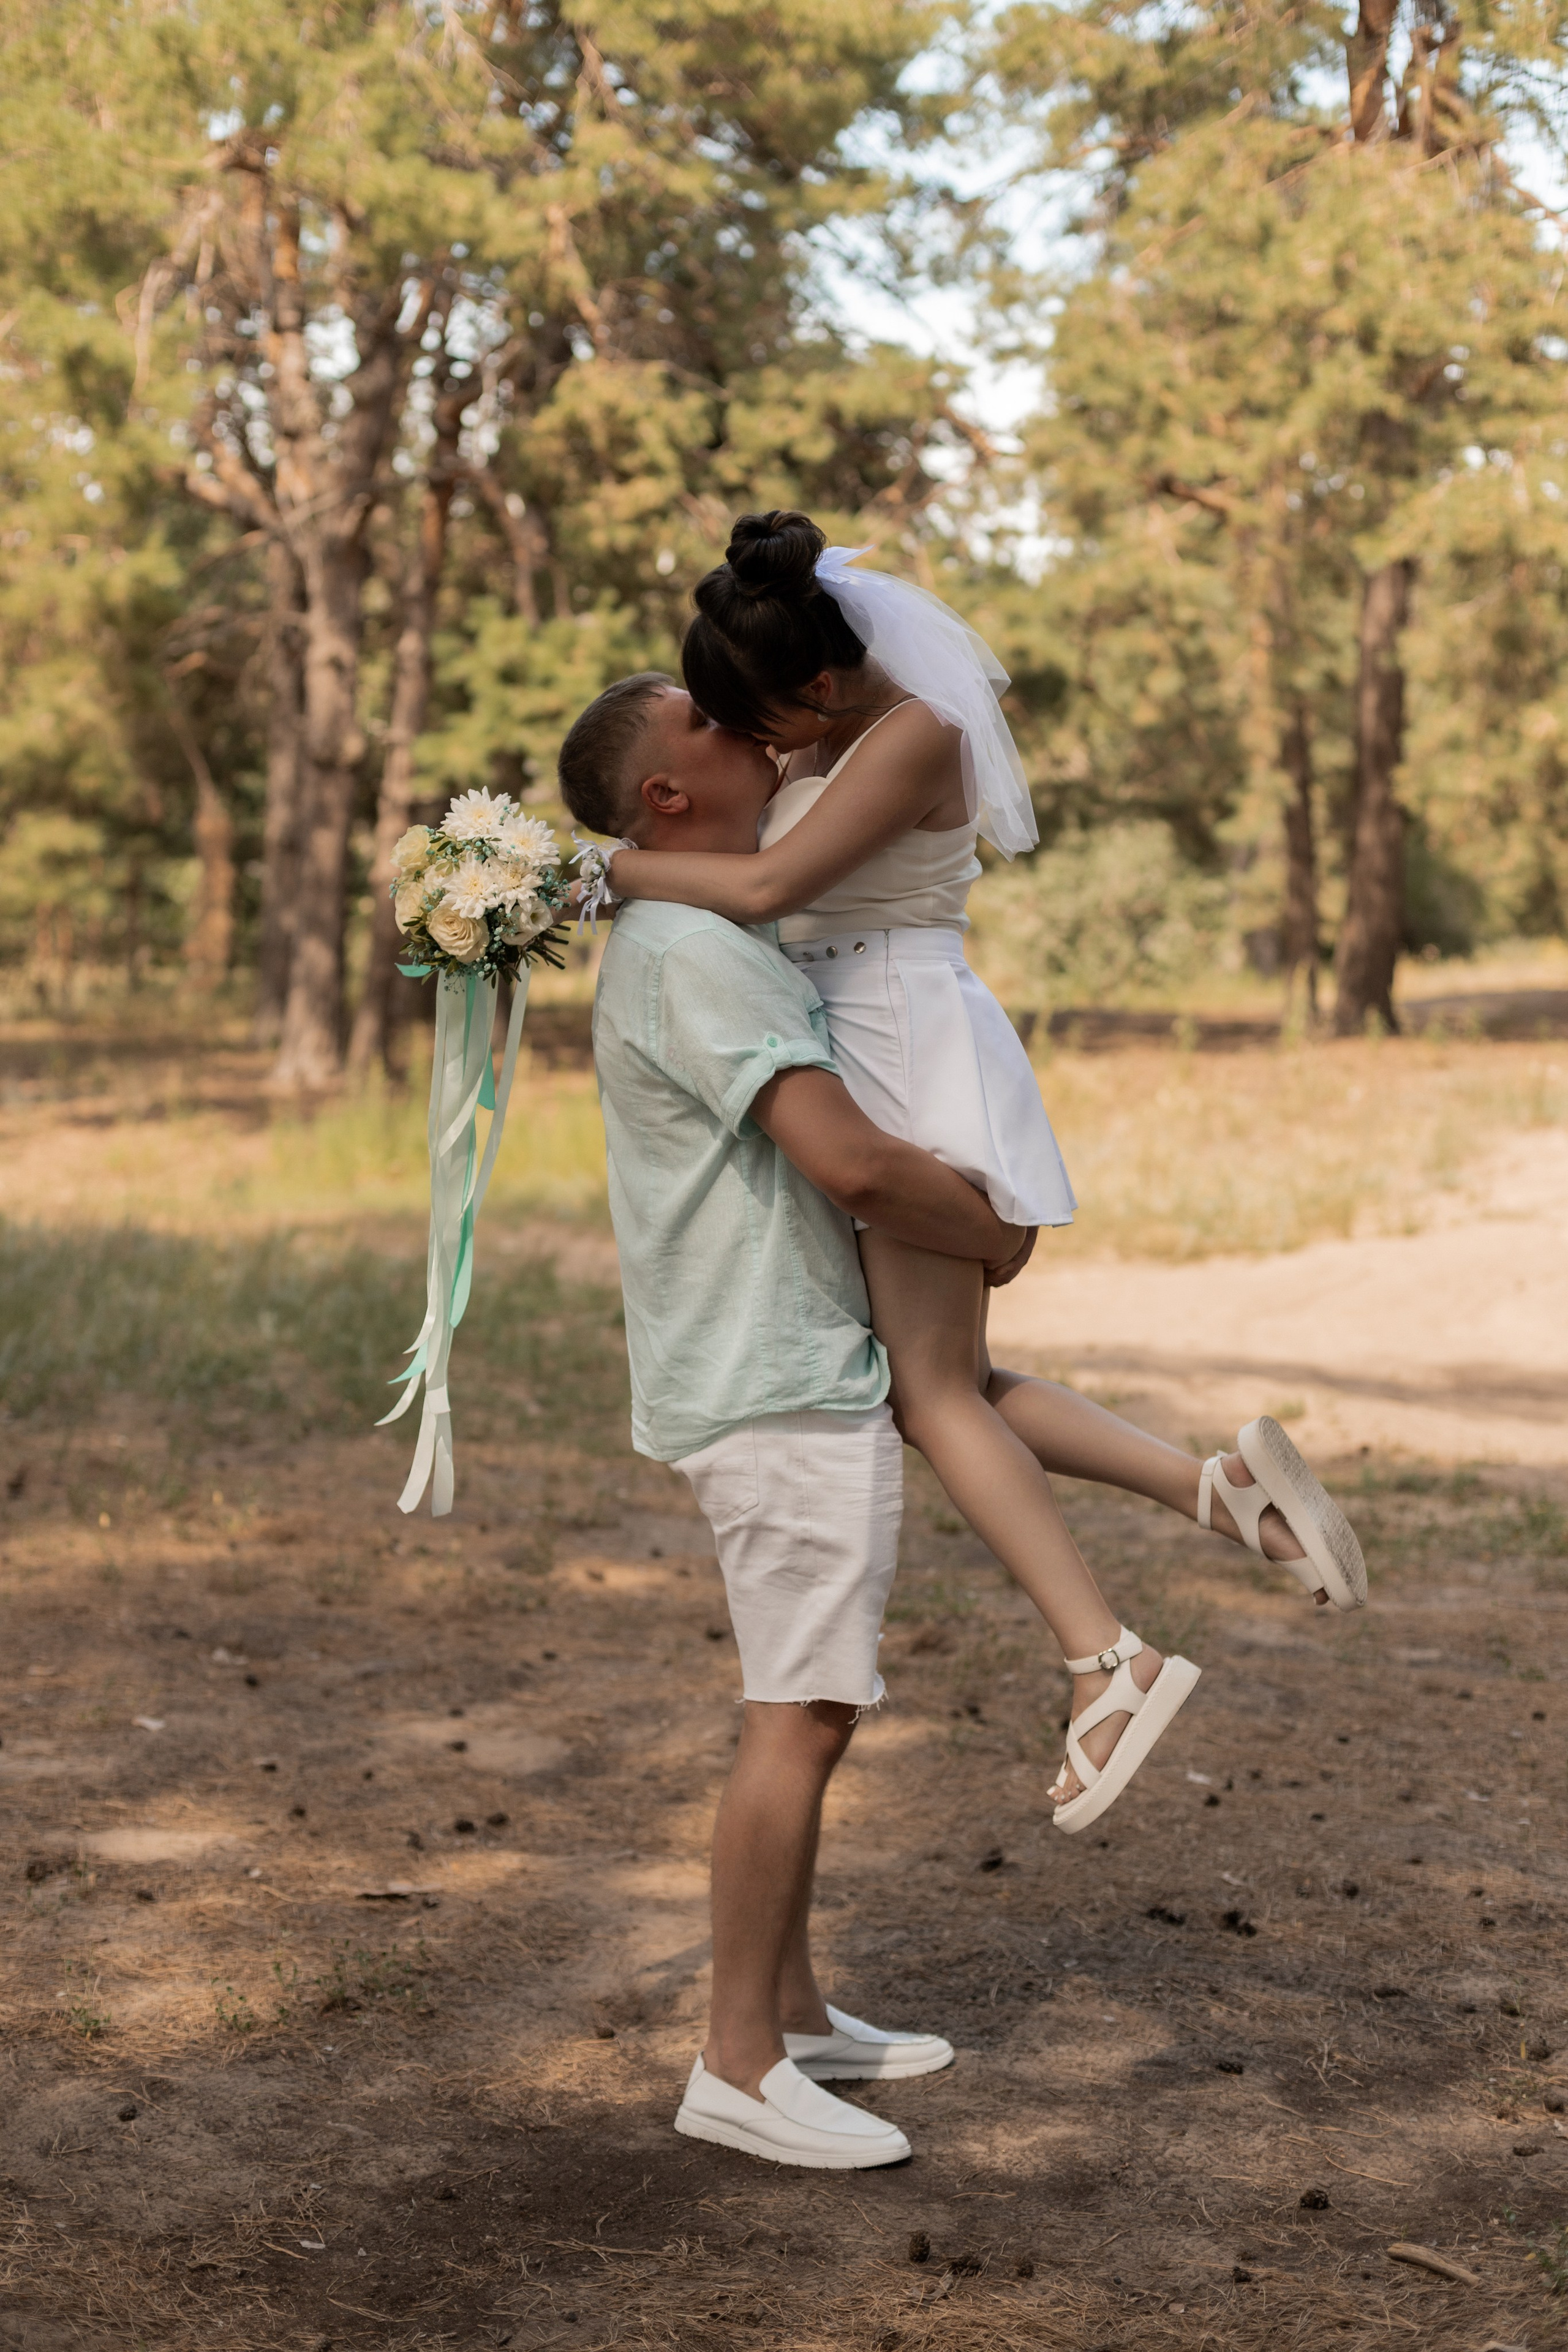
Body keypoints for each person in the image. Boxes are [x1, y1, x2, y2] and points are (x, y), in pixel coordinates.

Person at [581, 514, 1368, 1834]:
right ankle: (1209, 1491)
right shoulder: (828, 722)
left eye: (762, 718)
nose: (762, 745)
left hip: (898, 1041)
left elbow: (767, 883)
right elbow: (728, 837)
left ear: (819, 683)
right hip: (857, 1028)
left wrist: (591, 873)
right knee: (946, 1379)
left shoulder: (916, 733)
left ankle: (1105, 1661)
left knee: (930, 1389)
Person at [561, 677, 1035, 2169]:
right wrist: (993, 1230)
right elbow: (842, 1161)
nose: (742, 720)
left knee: (804, 1699)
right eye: (703, 718)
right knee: (803, 1711)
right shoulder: (699, 949)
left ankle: (795, 2008)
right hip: (770, 1373)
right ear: (666, 798)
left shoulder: (693, 929)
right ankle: (736, 2062)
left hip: (769, 1357)